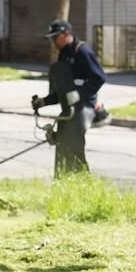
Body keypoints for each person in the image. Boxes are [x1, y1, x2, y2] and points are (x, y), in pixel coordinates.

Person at [31, 19, 110, 175]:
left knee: (73, 147)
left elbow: (99, 77)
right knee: (62, 145)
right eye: (52, 38)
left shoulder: (82, 51)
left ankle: (82, 181)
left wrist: (79, 94)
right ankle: (62, 181)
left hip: (84, 107)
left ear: (66, 34)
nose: (53, 41)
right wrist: (43, 101)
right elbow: (63, 90)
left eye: (56, 37)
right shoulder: (63, 54)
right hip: (69, 109)